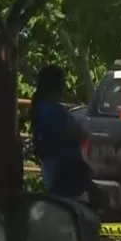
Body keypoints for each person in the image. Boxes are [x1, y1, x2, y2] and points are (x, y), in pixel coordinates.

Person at [30, 65, 105, 207]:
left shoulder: (44, 108)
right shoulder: (53, 111)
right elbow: (73, 133)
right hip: (65, 171)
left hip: (59, 169)